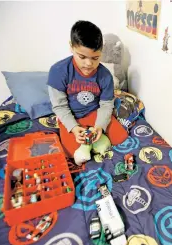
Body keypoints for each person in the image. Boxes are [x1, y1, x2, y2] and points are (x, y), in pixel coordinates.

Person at [47, 20, 128, 165]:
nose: (89, 64)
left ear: (101, 51)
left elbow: (106, 105)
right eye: (82, 57)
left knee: (120, 137)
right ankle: (89, 145)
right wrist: (73, 128)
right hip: (72, 115)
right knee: (70, 152)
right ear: (71, 47)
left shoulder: (105, 75)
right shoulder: (58, 71)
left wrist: (99, 127)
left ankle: (91, 144)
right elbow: (60, 106)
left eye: (95, 58)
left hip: (94, 114)